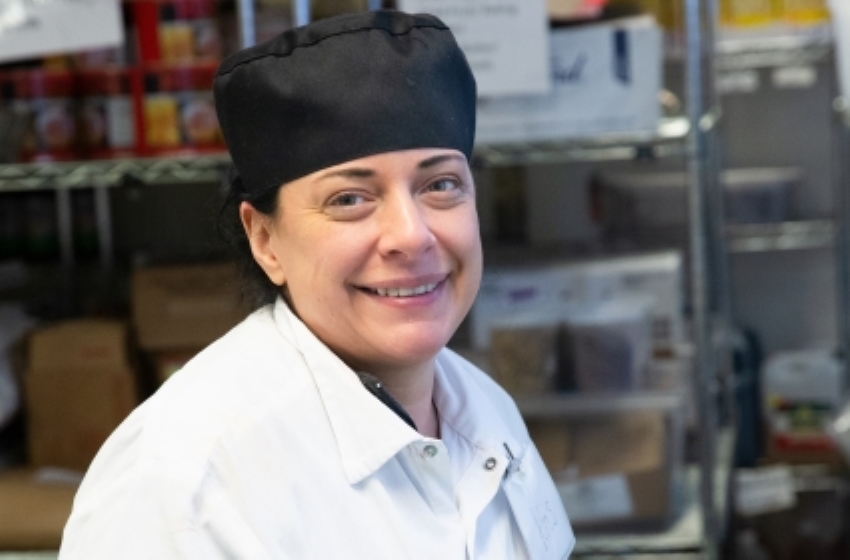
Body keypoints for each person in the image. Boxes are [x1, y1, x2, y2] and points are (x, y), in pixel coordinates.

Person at [59, 9, 575, 559]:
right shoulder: (188, 485)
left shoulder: (484, 409)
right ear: (265, 241)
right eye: (349, 199)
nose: (411, 235)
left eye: (441, 184)